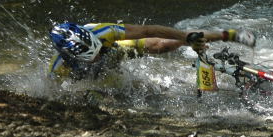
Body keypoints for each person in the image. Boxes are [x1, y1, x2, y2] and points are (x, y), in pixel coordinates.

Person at [47, 21, 256, 82]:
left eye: (98, 50)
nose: (98, 57)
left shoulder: (105, 32)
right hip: (92, 79)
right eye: (92, 57)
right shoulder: (58, 70)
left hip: (116, 50)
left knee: (162, 44)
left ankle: (229, 34)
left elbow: (147, 30)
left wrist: (184, 38)